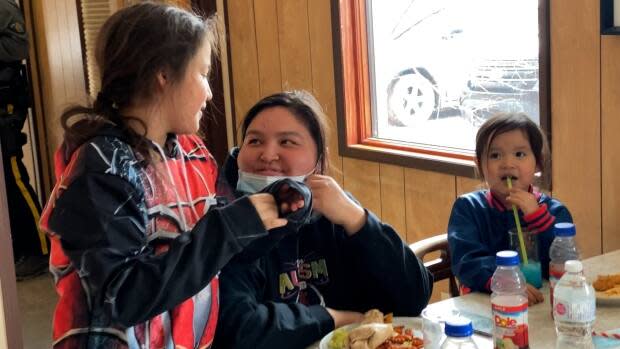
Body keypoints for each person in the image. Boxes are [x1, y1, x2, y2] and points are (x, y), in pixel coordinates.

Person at [39, 4, 300, 348]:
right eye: (203, 73)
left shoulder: (193, 152)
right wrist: (231, 226)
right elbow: (123, 297)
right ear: (163, 75)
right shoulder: (101, 166)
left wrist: (285, 211)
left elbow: (223, 251)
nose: (209, 92)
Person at [213, 90, 433, 349]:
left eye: (287, 142)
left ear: (318, 161)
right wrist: (334, 318)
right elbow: (239, 329)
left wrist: (358, 220)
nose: (267, 154)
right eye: (255, 141)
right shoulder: (225, 222)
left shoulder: (336, 212)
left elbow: (413, 297)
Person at [447, 112, 573, 305]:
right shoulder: (468, 209)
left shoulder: (555, 212)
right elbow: (466, 262)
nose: (507, 164)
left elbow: (564, 264)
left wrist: (538, 218)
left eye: (519, 154)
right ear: (480, 165)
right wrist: (505, 282)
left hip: (544, 306)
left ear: (538, 162)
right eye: (495, 155)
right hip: (485, 308)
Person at [0, 0, 49, 280]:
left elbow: (19, 47)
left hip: (6, 107)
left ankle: (39, 249)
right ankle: (19, 249)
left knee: (14, 176)